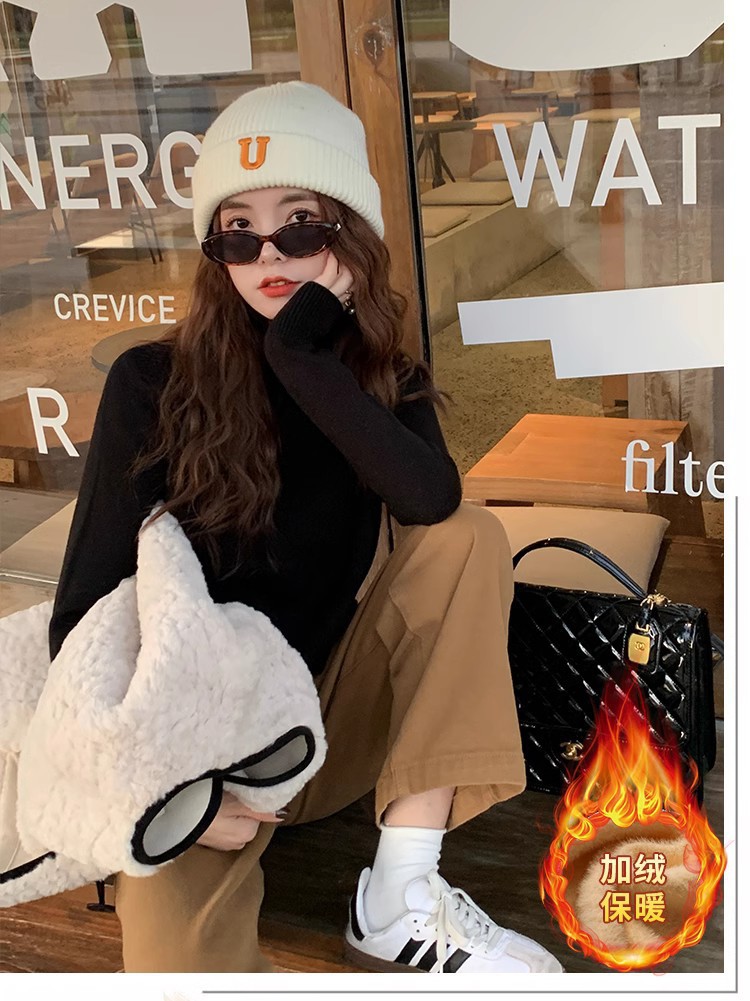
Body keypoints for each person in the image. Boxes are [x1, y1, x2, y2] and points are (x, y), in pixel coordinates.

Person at [48, 81, 563, 975]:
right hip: (195, 753)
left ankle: (399, 897)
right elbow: (82, 620)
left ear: (348, 237)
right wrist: (175, 787)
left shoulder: (378, 378)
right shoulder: (149, 384)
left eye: (300, 224)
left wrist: (302, 354)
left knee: (468, 536)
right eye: (237, 230)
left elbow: (431, 502)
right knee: (177, 971)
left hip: (327, 728)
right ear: (214, 250)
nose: (268, 254)